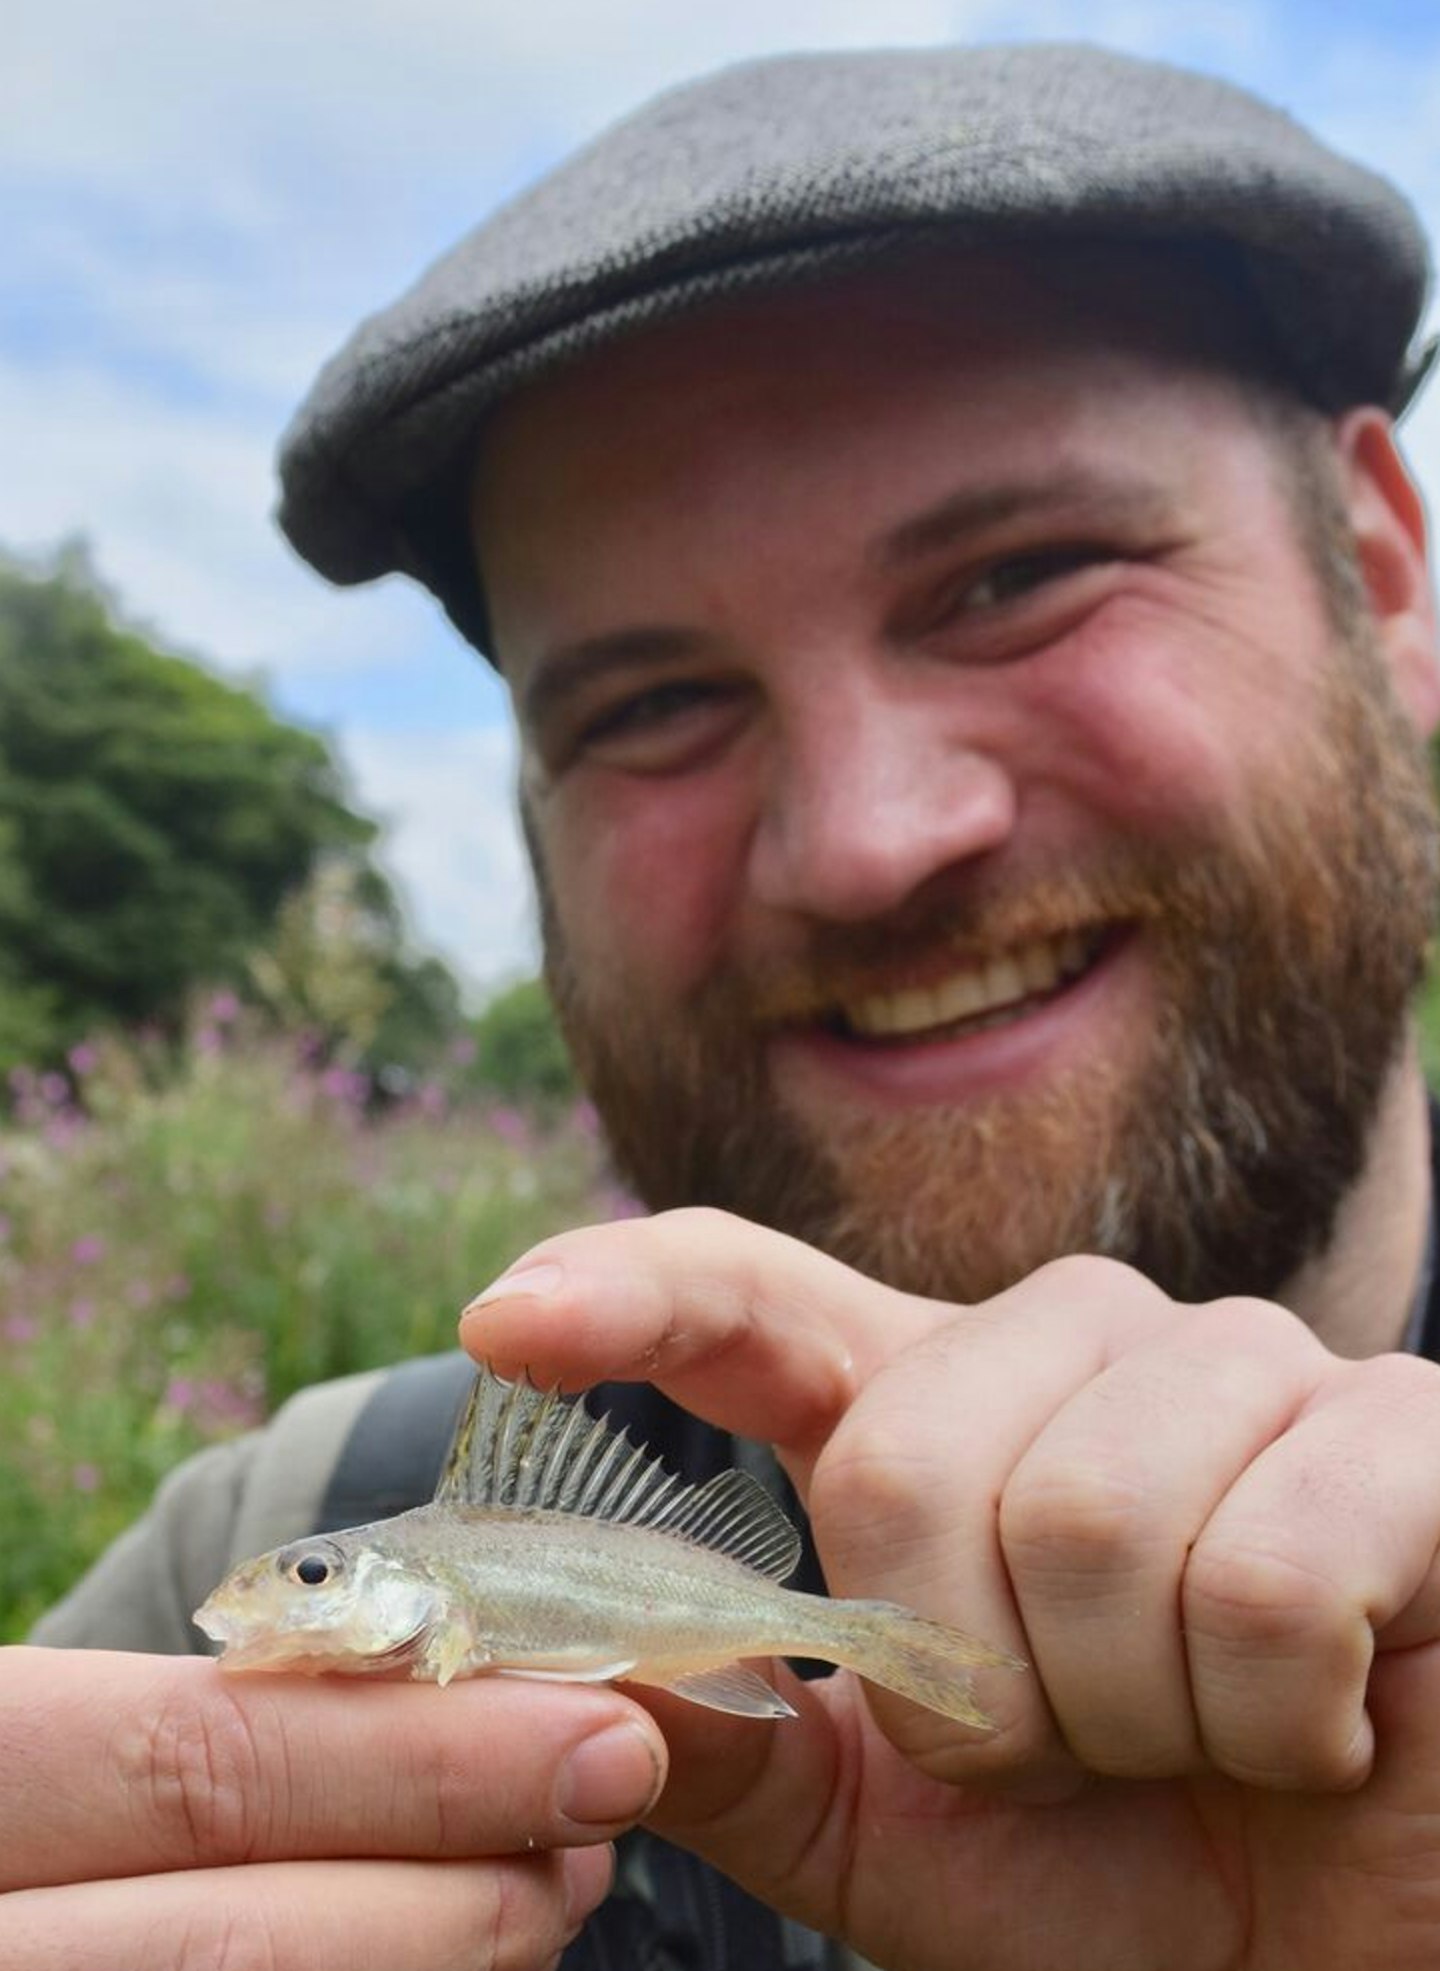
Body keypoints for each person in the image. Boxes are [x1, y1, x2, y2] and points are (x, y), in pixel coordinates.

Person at [13, 40, 1440, 1971]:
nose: (865, 843)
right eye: (651, 704)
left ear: (1385, 578)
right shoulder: (246, 1533)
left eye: (1019, 575)